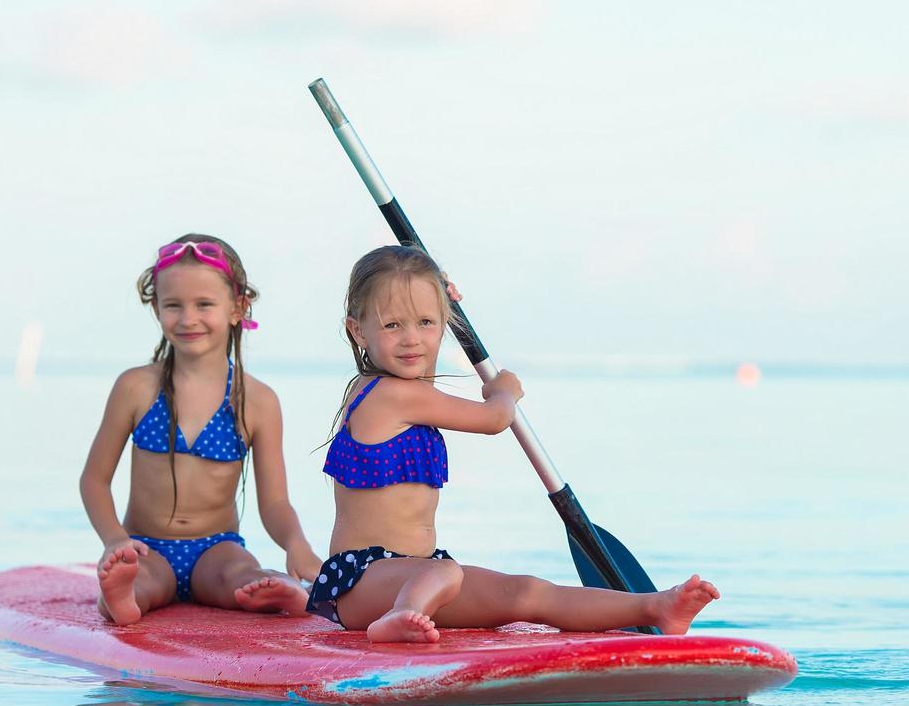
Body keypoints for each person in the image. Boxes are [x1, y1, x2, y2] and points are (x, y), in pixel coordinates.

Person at [306, 245, 720, 643]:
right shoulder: (389, 394)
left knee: (528, 593)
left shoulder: (410, 389)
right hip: (359, 581)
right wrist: (504, 391)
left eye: (426, 322)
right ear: (357, 331)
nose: (411, 338)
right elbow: (494, 419)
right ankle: (398, 620)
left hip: (417, 577)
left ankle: (655, 608)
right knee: (447, 573)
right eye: (393, 324)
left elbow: (417, 352)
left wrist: (435, 293)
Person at [79, 234, 320, 625]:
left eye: (204, 304)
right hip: (146, 547)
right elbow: (94, 479)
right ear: (156, 308)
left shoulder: (257, 401)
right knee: (142, 581)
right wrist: (114, 541)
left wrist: (296, 544)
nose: (188, 319)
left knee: (238, 575)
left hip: (217, 547)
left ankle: (274, 591)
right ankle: (122, 598)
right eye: (173, 305)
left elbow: (273, 502)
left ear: (238, 307)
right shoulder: (136, 387)